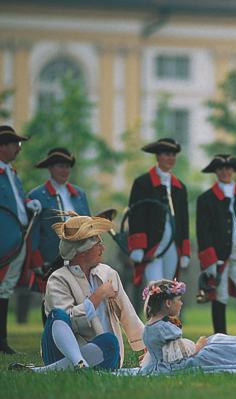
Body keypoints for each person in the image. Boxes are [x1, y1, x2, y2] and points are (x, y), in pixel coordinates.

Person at [9, 213, 144, 371]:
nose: (103, 247)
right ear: (83, 251)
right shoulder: (58, 279)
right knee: (57, 315)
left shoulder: (109, 273)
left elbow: (127, 314)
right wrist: (98, 296)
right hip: (60, 354)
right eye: (97, 243)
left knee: (110, 341)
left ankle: (43, 372)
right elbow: (68, 322)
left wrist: (146, 345)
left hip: (104, 352)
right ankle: (78, 363)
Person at [136, 279, 236, 374]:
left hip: (164, 366)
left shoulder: (149, 327)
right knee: (211, 349)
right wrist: (198, 346)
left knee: (214, 341)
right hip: (175, 367)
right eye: (179, 300)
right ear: (168, 303)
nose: (181, 303)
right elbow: (178, 355)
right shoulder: (164, 329)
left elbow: (160, 352)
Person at [196, 154, 236, 337]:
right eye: (221, 168)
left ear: (233, 171)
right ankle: (221, 341)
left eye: (229, 168)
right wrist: (209, 261)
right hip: (219, 259)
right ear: (216, 171)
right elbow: (203, 232)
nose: (225, 171)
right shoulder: (206, 198)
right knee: (220, 297)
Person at [28, 148, 91, 299]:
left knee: (80, 304)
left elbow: (89, 226)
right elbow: (33, 234)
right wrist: (37, 262)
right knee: (53, 304)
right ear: (50, 167)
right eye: (61, 166)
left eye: (68, 166)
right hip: (51, 259)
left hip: (79, 257)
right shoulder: (36, 195)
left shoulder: (80, 194)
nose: (65, 170)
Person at [0, 125, 41, 354]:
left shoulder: (11, 173)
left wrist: (27, 205)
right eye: (15, 143)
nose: (18, 148)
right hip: (3, 240)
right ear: (3, 146)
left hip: (16, 239)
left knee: (5, 289)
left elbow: (16, 203)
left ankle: (2, 340)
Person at [127, 138, 190, 286]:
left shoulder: (180, 187)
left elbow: (184, 220)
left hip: (172, 246)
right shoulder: (142, 183)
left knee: (168, 289)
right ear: (157, 156)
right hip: (152, 246)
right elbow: (136, 216)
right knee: (155, 287)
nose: (171, 158)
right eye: (167, 154)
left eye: (173, 155)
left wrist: (185, 251)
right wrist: (138, 246)